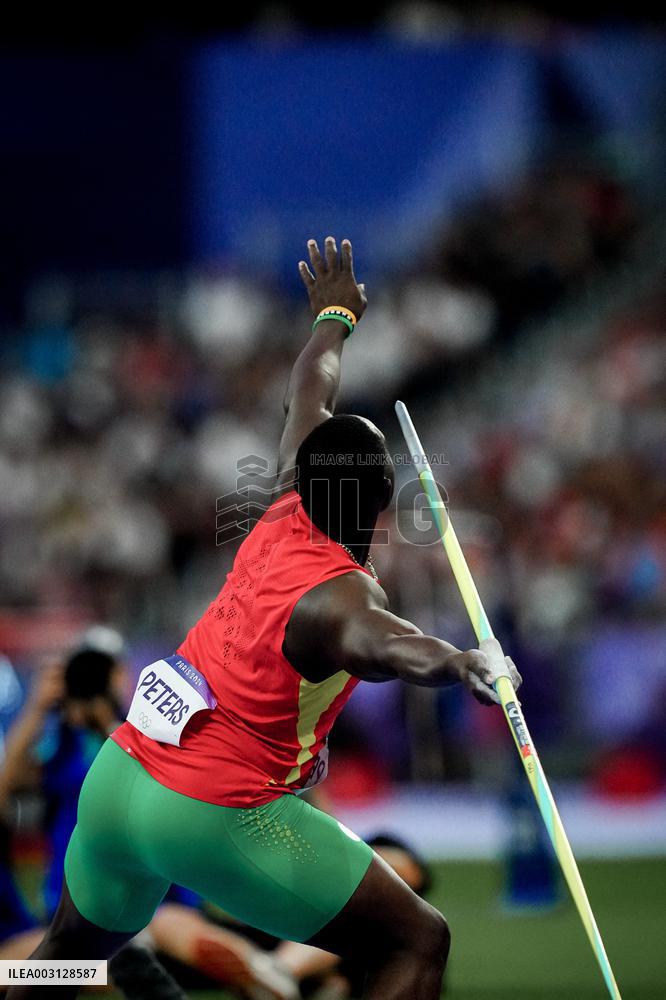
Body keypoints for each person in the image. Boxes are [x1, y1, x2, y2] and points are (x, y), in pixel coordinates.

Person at [8, 237, 520, 1000]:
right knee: (414, 940)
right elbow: (393, 647)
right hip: (211, 814)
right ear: (381, 507)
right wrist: (468, 663)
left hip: (120, 783)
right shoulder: (344, 597)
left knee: (66, 957)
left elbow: (310, 388)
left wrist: (335, 317)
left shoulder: (283, 504)